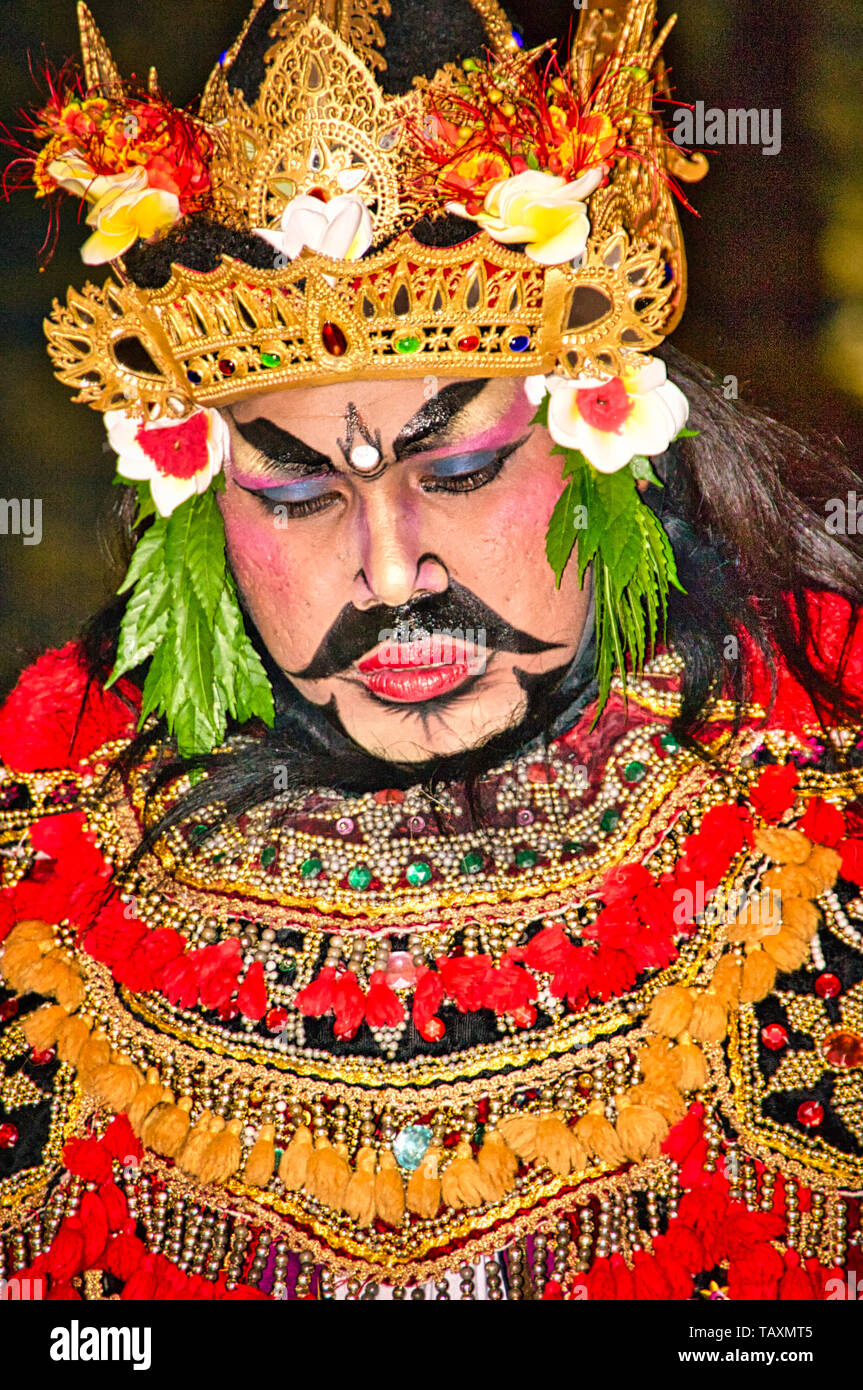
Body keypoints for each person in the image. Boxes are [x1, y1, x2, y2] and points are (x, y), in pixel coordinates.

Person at [0, 0, 862, 1304]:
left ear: (602, 443)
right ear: (194, 501)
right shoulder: (40, 850)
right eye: (295, 496)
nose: (394, 571)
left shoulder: (829, 790)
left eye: (457, 470)